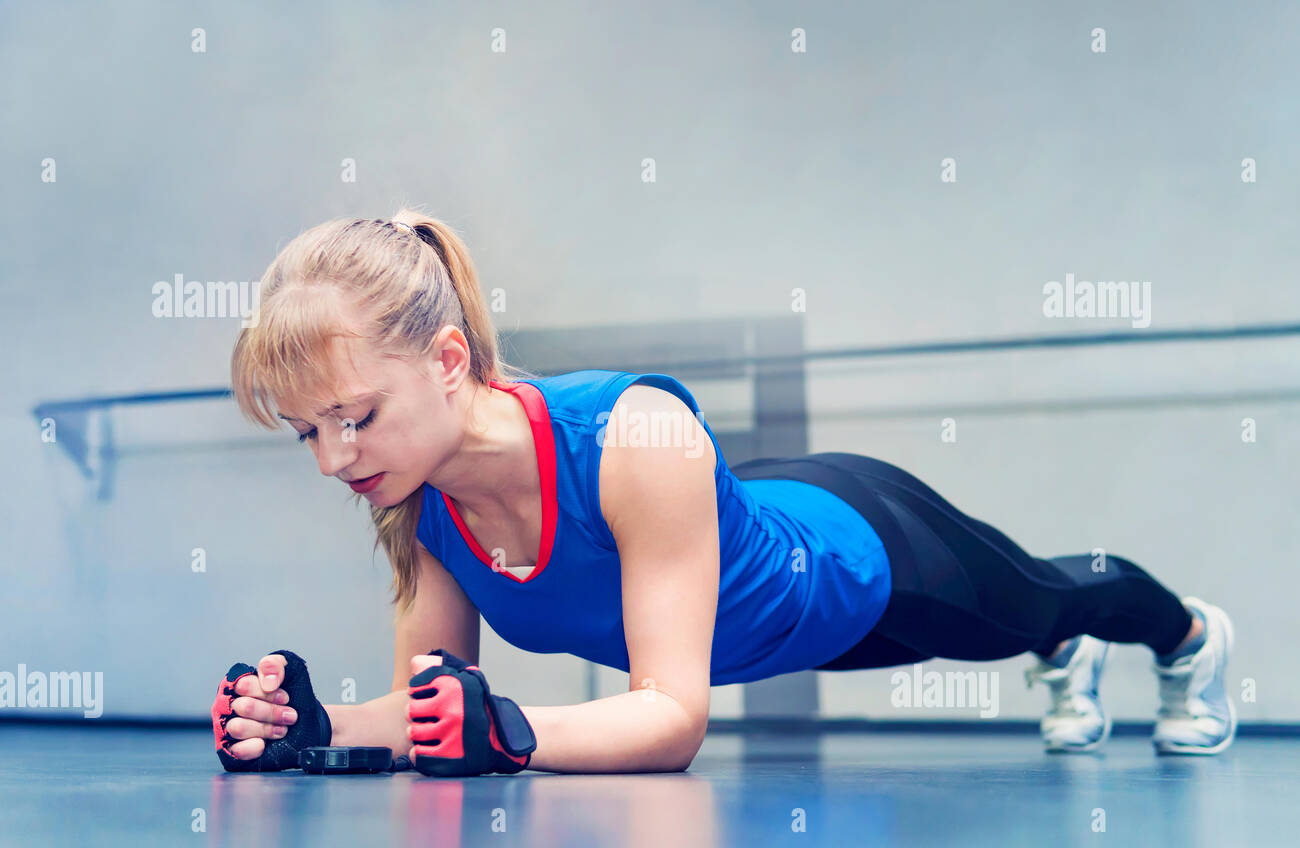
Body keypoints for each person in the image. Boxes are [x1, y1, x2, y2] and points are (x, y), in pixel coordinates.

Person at [212, 210, 1236, 776]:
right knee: (1026, 624)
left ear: (445, 360)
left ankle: (1188, 637)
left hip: (863, 559)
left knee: (1051, 597)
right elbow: (434, 707)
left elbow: (669, 718)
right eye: (307, 430)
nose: (332, 459)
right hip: (754, 576)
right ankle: (1055, 651)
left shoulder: (632, 432)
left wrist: (512, 728)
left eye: (353, 416)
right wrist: (313, 721)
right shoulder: (421, 504)